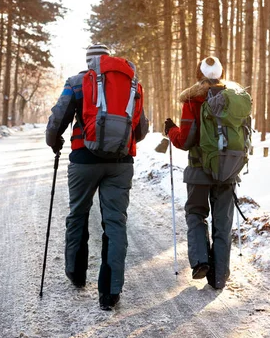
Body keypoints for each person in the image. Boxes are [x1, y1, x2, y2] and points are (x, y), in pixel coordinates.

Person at [45, 43, 148, 310]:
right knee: (115, 223)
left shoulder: (77, 82)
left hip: (83, 160)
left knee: (78, 213)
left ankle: (77, 275)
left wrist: (54, 142)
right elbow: (142, 129)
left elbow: (58, 118)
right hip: (120, 162)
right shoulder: (131, 83)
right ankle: (110, 292)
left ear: (89, 61)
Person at [165, 56, 241, 290]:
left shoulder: (192, 100)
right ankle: (219, 276)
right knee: (223, 222)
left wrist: (171, 130)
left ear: (198, 74)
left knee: (196, 214)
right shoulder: (233, 99)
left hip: (199, 169)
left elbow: (186, 140)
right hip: (227, 170)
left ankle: (200, 262)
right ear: (222, 73)